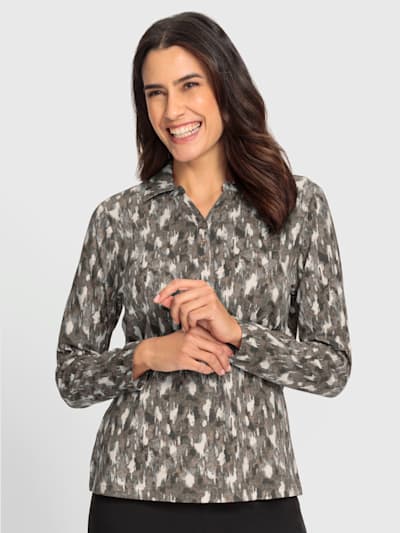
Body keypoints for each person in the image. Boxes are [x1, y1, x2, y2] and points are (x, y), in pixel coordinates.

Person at [55, 11, 352, 533]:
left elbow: (332, 368)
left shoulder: (298, 205)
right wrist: (150, 354)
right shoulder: (118, 218)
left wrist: (239, 333)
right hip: (133, 493)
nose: (173, 111)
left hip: (259, 489)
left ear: (224, 86)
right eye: (155, 93)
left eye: (189, 85)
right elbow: (72, 375)